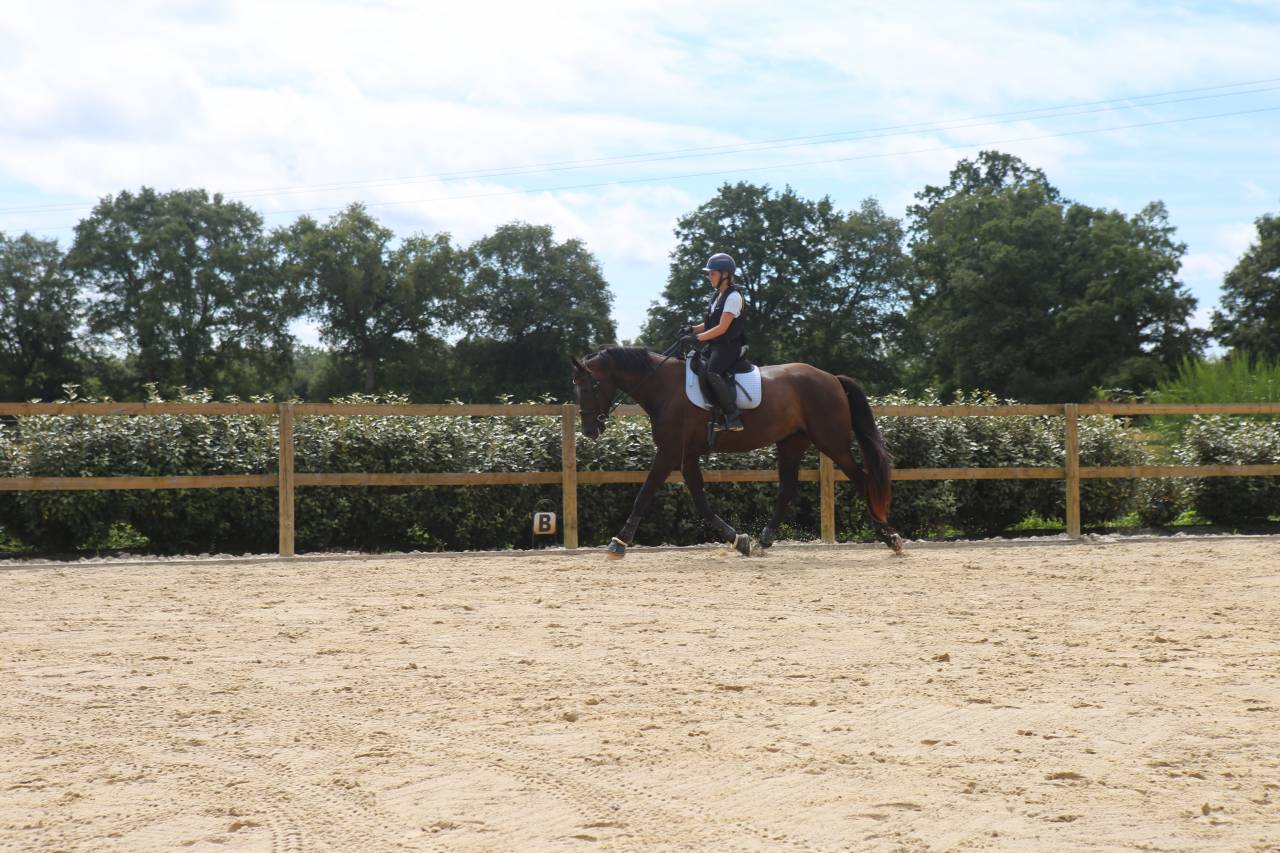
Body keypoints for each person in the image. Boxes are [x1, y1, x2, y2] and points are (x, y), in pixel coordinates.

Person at [681, 252, 746, 431]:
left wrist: (696, 338)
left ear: (725, 275)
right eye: (709, 274)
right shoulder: (717, 296)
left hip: (730, 346)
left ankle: (733, 416)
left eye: (712, 273)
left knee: (712, 371)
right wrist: (692, 329)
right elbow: (710, 324)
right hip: (716, 345)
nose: (709, 277)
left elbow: (722, 328)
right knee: (697, 365)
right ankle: (716, 413)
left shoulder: (733, 297)